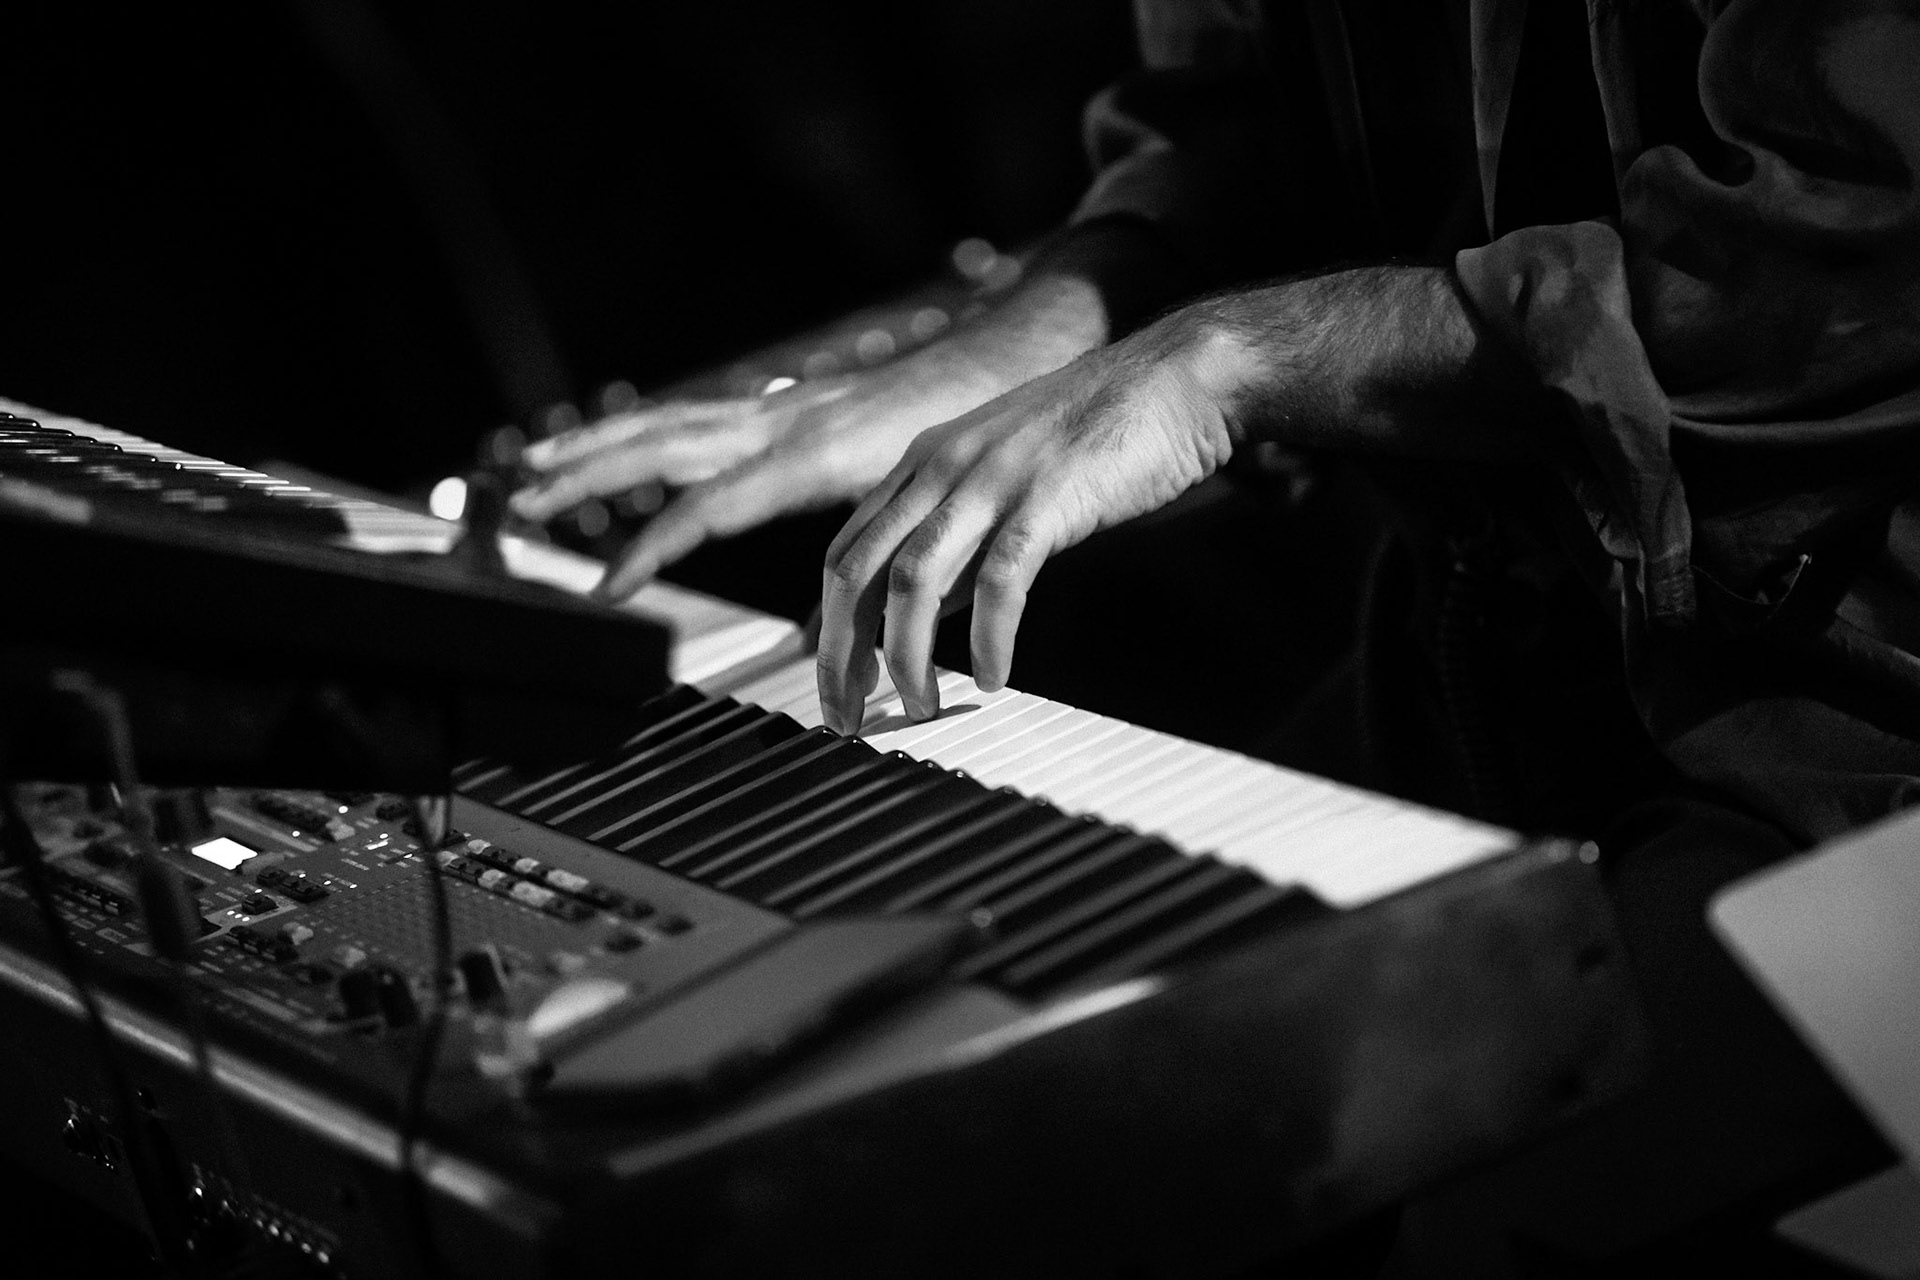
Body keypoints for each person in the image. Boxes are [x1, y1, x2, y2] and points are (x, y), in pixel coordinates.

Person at [515, 1, 1919, 1262]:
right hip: (1500, 641)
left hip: (1855, 717)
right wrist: (1018, 348)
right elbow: (1236, 126)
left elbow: (1842, 267)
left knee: (1440, 1171)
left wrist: (1223, 363)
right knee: (1068, 1077)